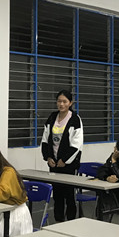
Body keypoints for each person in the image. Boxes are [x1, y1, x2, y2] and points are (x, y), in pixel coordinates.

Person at [41, 89, 84, 222]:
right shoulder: (52, 117)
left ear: (70, 103)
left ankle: (71, 222)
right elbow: (45, 139)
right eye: (59, 101)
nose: (61, 104)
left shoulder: (75, 119)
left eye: (65, 101)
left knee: (69, 195)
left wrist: (64, 160)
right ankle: (58, 221)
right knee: (57, 196)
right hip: (54, 164)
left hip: (68, 165)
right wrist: (48, 157)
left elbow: (77, 145)